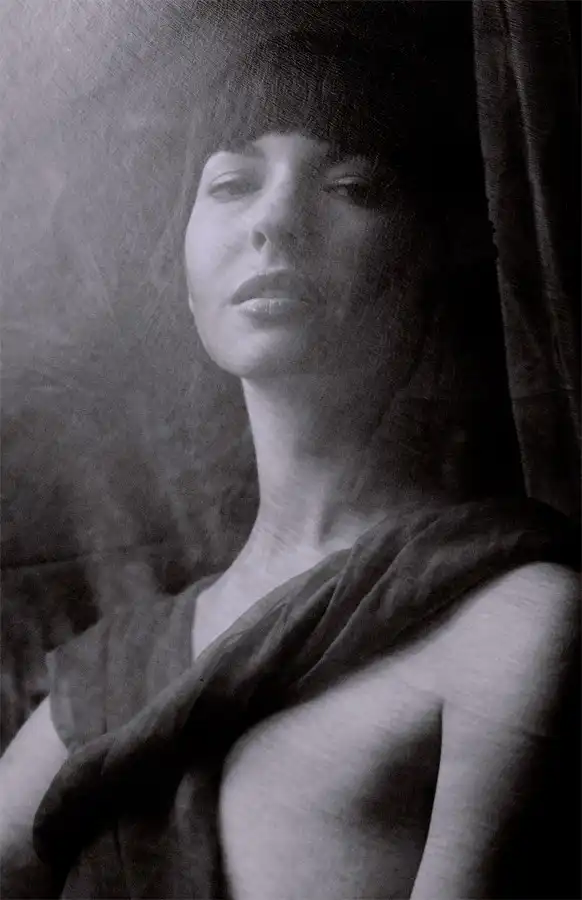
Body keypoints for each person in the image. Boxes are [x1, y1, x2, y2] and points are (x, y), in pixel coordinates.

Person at [1, 20, 579, 900]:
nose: (275, 220)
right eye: (232, 183)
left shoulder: (514, 619)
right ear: (184, 265)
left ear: (432, 254)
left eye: (352, 187)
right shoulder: (109, 678)